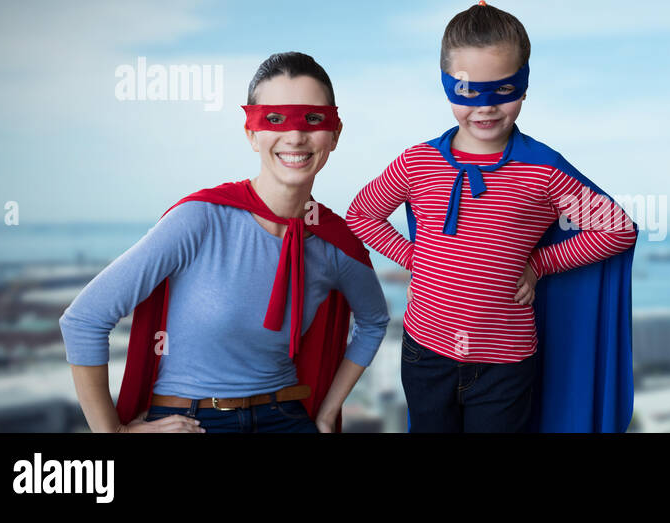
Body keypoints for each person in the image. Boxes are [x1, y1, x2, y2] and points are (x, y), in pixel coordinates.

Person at [59, 52, 390, 433]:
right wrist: (113, 433)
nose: (296, 136)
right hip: (192, 420)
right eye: (275, 118)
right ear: (251, 133)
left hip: (285, 416)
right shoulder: (199, 219)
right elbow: (83, 321)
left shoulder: (335, 242)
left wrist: (329, 410)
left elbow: (374, 321)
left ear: (334, 134)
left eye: (313, 119)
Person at [347, 1, 638, 433]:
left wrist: (541, 264)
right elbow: (362, 215)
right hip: (425, 353)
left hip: (506, 363)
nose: (485, 108)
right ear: (444, 84)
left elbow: (618, 229)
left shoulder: (543, 170)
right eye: (467, 91)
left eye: (503, 91)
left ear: (524, 86)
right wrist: (418, 259)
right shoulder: (418, 163)